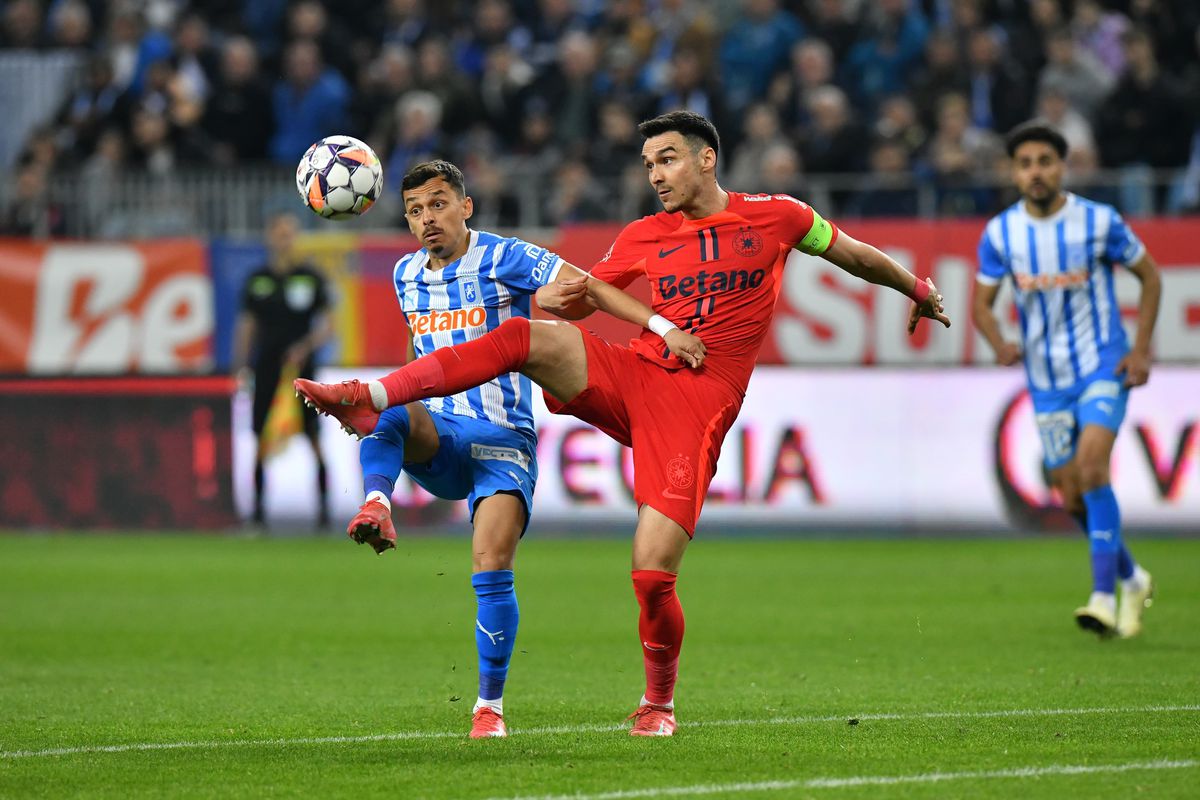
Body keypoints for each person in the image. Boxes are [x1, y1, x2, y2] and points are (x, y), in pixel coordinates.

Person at [296, 111, 948, 736]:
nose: (655, 174)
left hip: (695, 404)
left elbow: (854, 255)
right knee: (527, 335)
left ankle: (657, 703)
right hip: (634, 374)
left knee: (652, 574)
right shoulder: (643, 234)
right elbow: (583, 295)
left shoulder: (780, 217)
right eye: (648, 164)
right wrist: (559, 300)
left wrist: (916, 289)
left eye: (667, 159)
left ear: (707, 159)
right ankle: (370, 394)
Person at [342, 159, 706, 739]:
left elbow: (589, 286)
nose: (427, 218)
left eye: (438, 204)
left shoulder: (505, 256)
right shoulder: (404, 274)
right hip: (443, 435)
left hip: (503, 439)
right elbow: (419, 353)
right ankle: (377, 504)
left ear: (466, 206)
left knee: (491, 564)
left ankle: (488, 708)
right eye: (414, 211)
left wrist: (661, 329)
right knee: (387, 405)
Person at [972, 121, 1160, 639]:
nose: (1035, 172)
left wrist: (1140, 349)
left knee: (1093, 465)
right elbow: (982, 306)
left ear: (1062, 167)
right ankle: (1132, 578)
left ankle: (1102, 597)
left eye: (1045, 162)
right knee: (1073, 496)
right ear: (1013, 173)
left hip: (1103, 364)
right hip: (1046, 379)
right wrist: (999, 342)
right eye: (1025, 164)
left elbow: (1149, 276)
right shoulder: (1001, 233)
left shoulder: (1099, 221)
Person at [232, 212, 333, 526]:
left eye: (289, 233)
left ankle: (324, 513)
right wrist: (241, 366)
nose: (284, 239)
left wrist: (305, 347)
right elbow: (247, 325)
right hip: (266, 369)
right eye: (279, 233)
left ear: (296, 238)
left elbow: (329, 326)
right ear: (270, 237)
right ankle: (257, 514)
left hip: (303, 371)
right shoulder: (257, 280)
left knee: (313, 437)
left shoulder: (311, 278)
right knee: (261, 438)